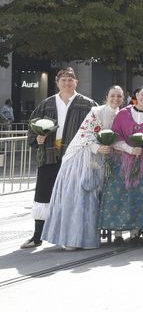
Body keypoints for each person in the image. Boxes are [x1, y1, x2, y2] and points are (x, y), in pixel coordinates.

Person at [43, 86, 124, 250]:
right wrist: (97, 148)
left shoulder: (120, 115)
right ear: (106, 96)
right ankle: (71, 239)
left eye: (119, 96)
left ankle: (87, 238)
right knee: (78, 197)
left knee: (92, 200)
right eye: (113, 95)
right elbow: (84, 135)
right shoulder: (97, 111)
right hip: (82, 159)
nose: (116, 99)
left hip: (102, 160)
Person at [22, 68, 96, 249]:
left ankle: (70, 235)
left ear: (76, 82)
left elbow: (96, 128)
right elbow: (32, 127)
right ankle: (37, 235)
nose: (67, 83)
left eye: (70, 80)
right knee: (43, 194)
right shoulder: (46, 104)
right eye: (63, 80)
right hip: (49, 155)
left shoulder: (87, 104)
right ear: (57, 83)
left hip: (75, 159)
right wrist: (37, 138)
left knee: (73, 196)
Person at [99, 85, 143, 244]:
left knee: (140, 195)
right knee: (120, 195)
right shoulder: (123, 114)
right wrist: (129, 149)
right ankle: (118, 234)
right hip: (122, 161)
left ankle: (135, 231)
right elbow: (115, 137)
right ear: (136, 95)